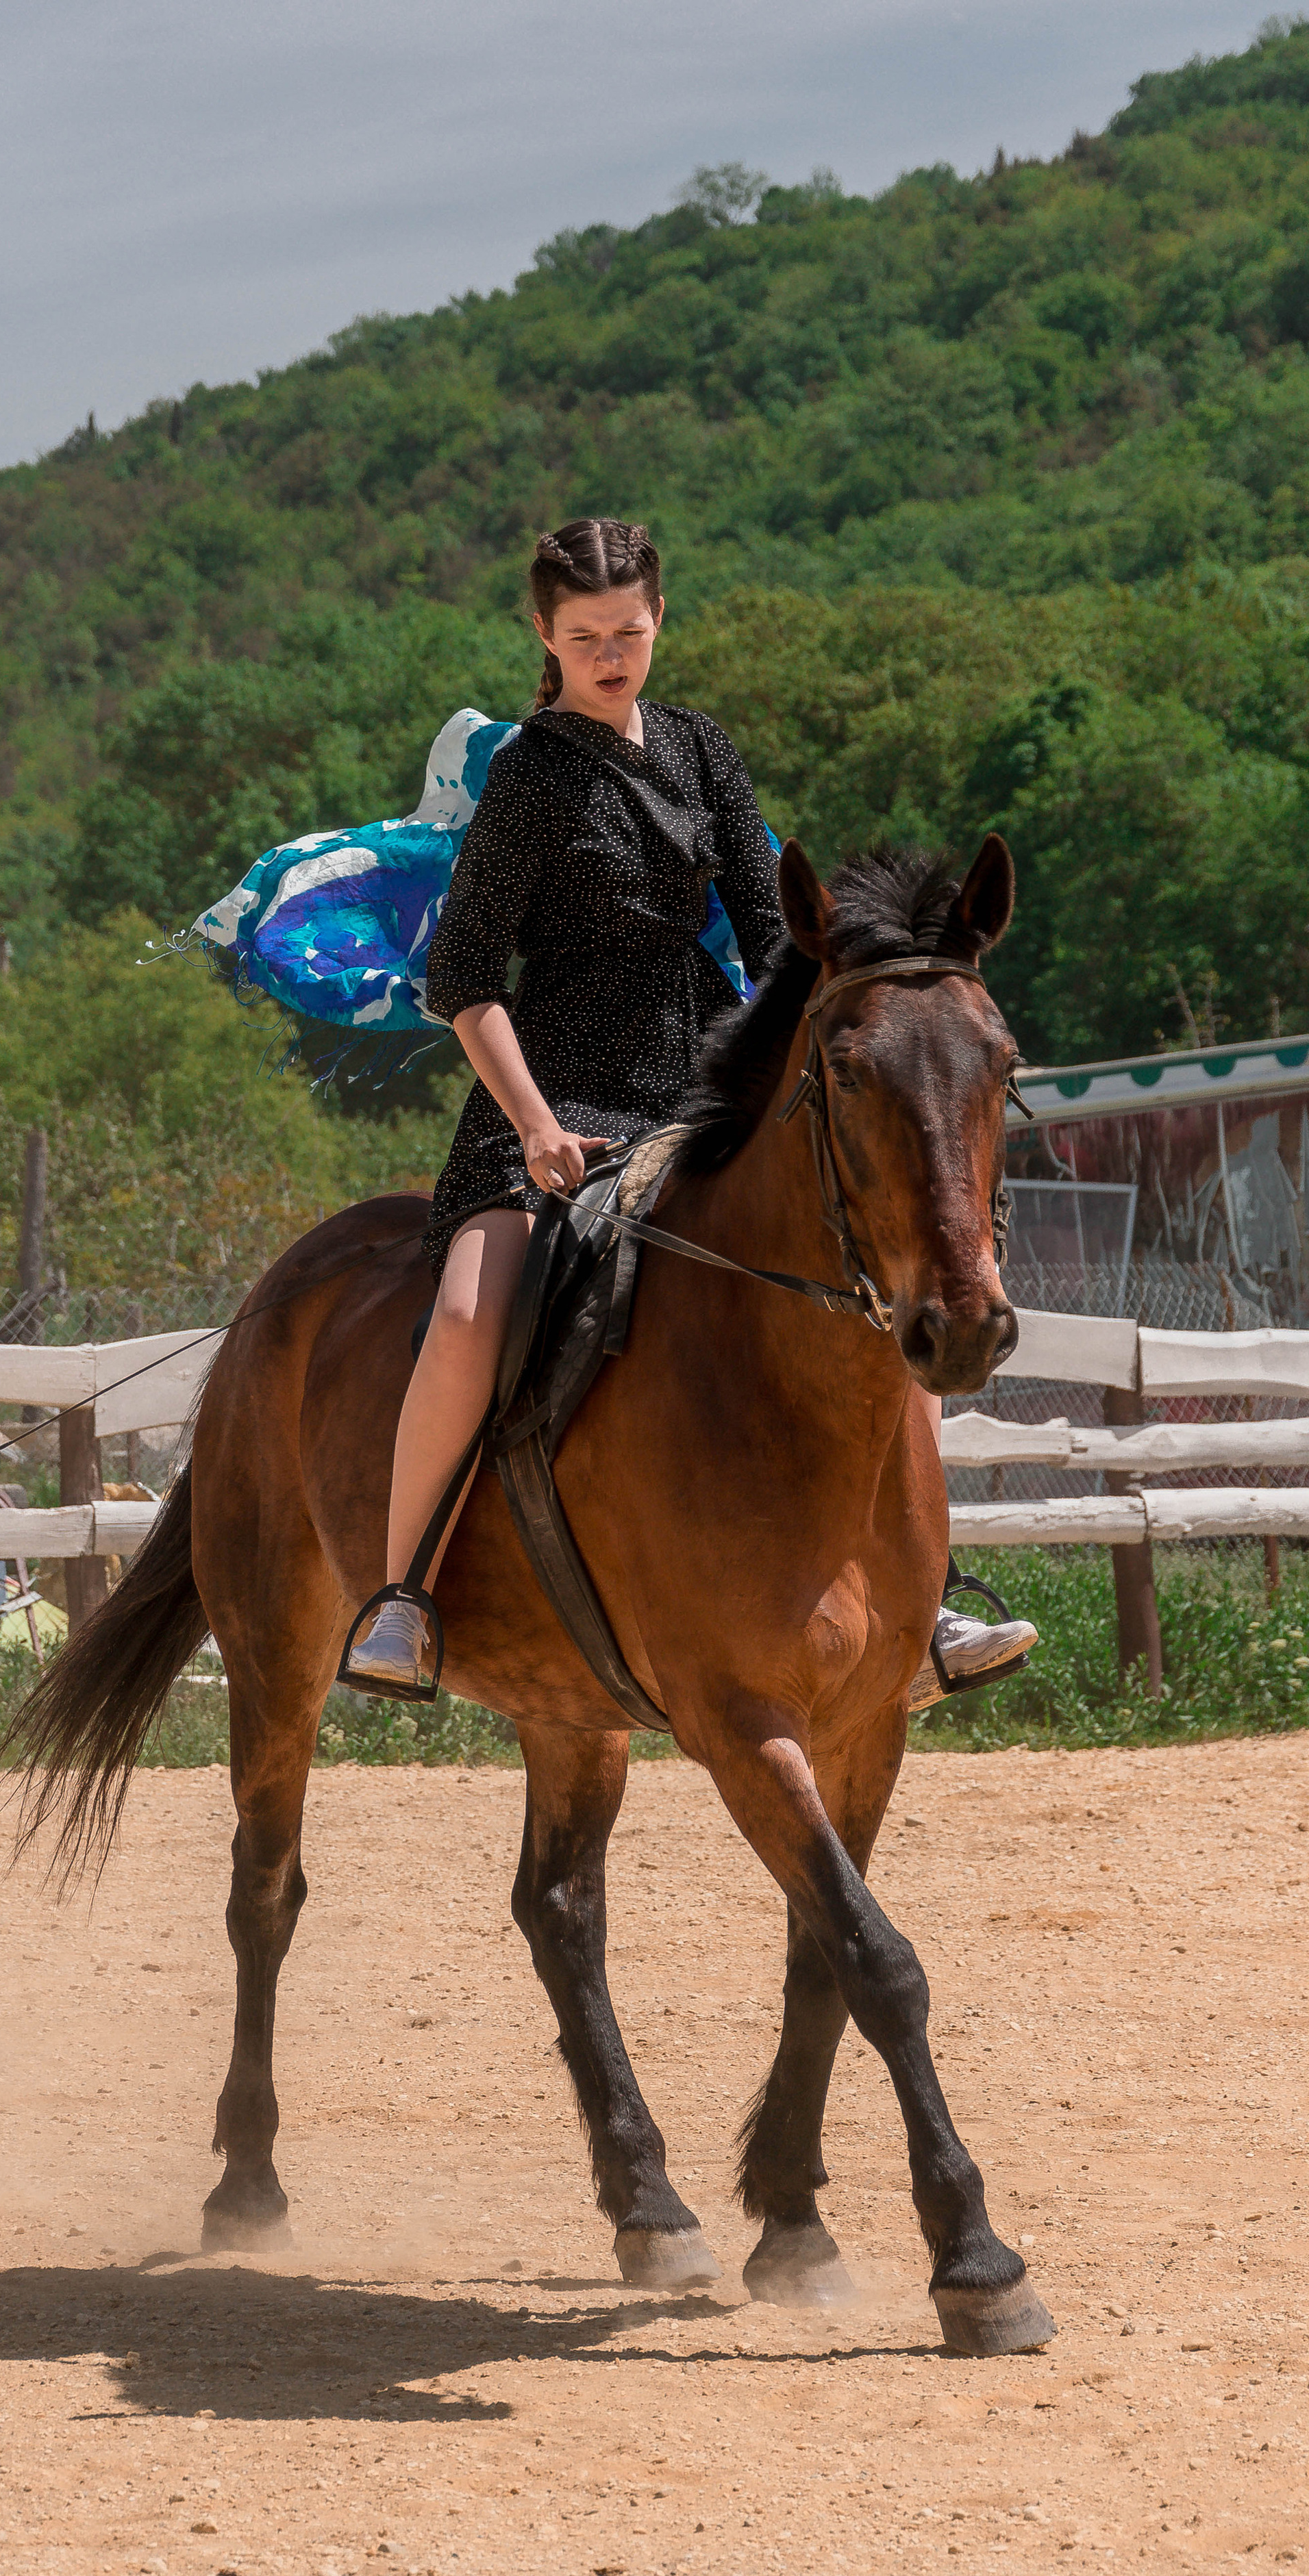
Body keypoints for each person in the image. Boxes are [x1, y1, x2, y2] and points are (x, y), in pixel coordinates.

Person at [342, 517, 1036, 1708]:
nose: (612, 655)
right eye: (585, 638)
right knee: (466, 1316)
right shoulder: (529, 776)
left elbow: (774, 947)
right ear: (545, 640)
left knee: (879, 1286)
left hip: (703, 1085)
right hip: (557, 1102)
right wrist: (535, 1126)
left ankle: (924, 1599)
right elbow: (462, 976)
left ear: (660, 623)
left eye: (631, 633)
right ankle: (404, 1595)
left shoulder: (704, 751)